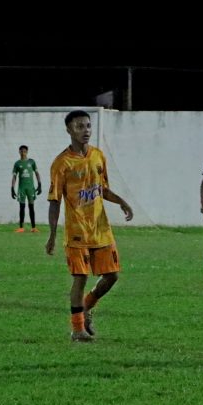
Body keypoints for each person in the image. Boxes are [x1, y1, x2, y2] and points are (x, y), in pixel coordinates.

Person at [45, 110, 134, 342]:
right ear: (69, 130)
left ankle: (86, 307)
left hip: (100, 229)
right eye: (79, 126)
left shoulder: (97, 156)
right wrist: (52, 234)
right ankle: (77, 330)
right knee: (80, 278)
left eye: (88, 126)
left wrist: (122, 202)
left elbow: (102, 188)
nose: (85, 131)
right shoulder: (61, 163)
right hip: (77, 232)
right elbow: (54, 201)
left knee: (112, 276)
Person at [10, 145, 42, 232]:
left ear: (27, 152)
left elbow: (37, 173)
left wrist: (39, 184)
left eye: (24, 151)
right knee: (22, 207)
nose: (23, 153)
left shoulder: (31, 162)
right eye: (21, 151)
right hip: (22, 188)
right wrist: (12, 188)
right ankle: (21, 227)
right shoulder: (17, 164)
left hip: (30, 188)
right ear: (19, 152)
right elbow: (14, 176)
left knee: (31, 207)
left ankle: (33, 228)